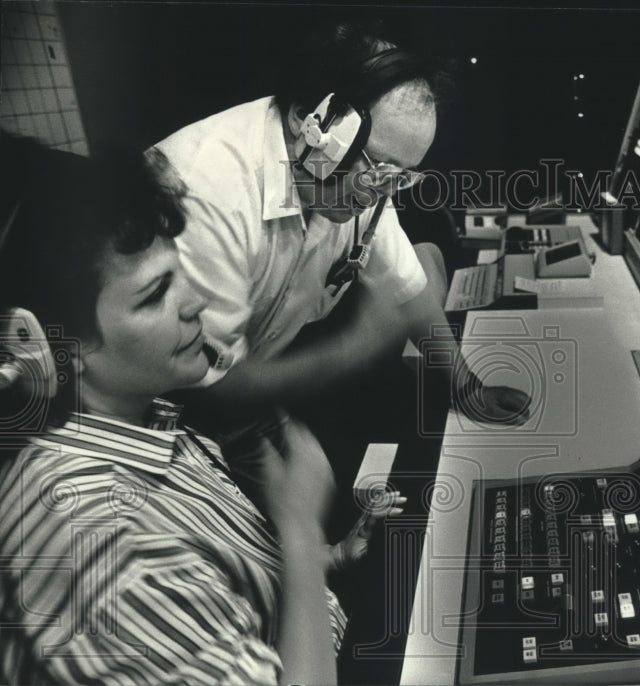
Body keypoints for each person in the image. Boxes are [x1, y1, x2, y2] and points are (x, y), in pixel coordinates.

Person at [0, 137, 401, 684]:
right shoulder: (94, 544)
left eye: (181, 271)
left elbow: (217, 601)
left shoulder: (152, 420)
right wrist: (301, 529)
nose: (196, 303)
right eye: (154, 294)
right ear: (51, 345)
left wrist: (329, 558)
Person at [153, 21, 529, 496]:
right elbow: (214, 387)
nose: (382, 195)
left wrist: (466, 387)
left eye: (402, 177)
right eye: (377, 170)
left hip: (244, 391)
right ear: (305, 121)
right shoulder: (206, 191)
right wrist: (354, 348)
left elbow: (410, 291)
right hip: (162, 421)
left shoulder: (352, 181)